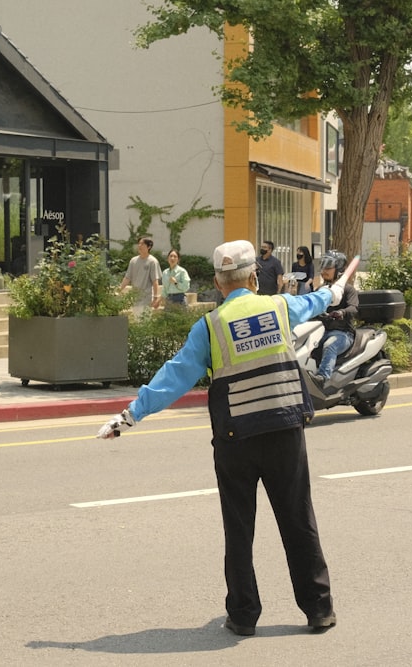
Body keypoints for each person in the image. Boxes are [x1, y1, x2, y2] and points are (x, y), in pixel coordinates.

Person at [96, 240, 342, 637]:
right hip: (283, 432)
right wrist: (333, 291)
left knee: (239, 528)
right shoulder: (279, 307)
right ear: (253, 279)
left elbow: (174, 376)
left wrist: (129, 416)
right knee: (297, 519)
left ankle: (243, 616)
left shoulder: (209, 327)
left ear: (217, 282)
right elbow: (314, 302)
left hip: (235, 439)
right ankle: (318, 609)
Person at [312, 250, 359, 384]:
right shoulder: (321, 290)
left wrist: (341, 313)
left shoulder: (348, 290)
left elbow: (353, 308)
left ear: (338, 269)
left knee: (329, 345)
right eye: (323, 266)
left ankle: (322, 378)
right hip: (320, 331)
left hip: (343, 334)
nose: (324, 270)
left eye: (328, 267)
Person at [119, 237, 162, 314]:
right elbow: (127, 278)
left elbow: (155, 281)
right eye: (139, 243)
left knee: (144, 321)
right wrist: (119, 290)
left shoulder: (153, 261)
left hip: (147, 298)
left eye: (142, 244)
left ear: (149, 247)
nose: (139, 245)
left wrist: (156, 298)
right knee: (137, 321)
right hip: (135, 298)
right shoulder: (133, 261)